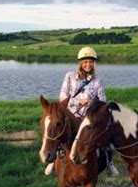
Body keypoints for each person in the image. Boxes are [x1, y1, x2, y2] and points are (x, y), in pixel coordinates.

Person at [44, 46, 119, 176]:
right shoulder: (70, 76)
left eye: (90, 62)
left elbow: (102, 100)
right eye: (85, 62)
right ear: (80, 63)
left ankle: (108, 160)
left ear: (94, 63)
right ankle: (53, 159)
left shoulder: (98, 80)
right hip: (71, 114)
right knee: (55, 129)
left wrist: (91, 102)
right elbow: (62, 97)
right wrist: (77, 102)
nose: (88, 64)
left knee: (103, 133)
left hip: (88, 116)